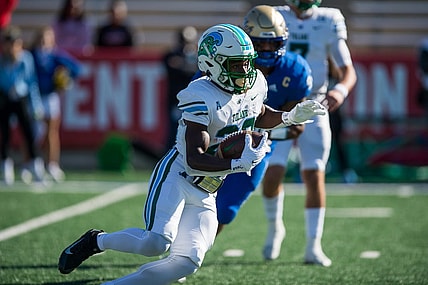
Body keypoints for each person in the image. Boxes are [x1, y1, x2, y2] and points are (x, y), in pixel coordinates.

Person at [57, 23, 326, 284]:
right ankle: (96, 241)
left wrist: (289, 116)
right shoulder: (200, 94)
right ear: (213, 63)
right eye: (236, 64)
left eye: (247, 62)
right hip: (179, 175)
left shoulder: (255, 83)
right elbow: (195, 157)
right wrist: (237, 163)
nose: (245, 70)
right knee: (155, 243)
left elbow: (259, 113)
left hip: (208, 188)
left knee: (188, 261)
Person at [261, 0, 357, 266]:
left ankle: (314, 246)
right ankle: (274, 226)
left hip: (314, 103)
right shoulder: (275, 15)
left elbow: (347, 69)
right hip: (281, 102)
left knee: (314, 174)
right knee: (272, 173)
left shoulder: (328, 19)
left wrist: (340, 90)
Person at [215, 5, 313, 237]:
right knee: (193, 194)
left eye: (274, 43)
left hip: (256, 144)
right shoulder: (224, 61)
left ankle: (188, 255)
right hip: (215, 136)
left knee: (227, 205)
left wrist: (258, 133)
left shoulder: (295, 70)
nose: (267, 49)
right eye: (260, 43)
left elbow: (293, 127)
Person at [30, 26, 81, 182]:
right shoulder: (31, 55)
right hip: (35, 96)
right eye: (42, 38)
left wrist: (64, 81)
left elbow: (76, 68)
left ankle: (52, 164)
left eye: (48, 38)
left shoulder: (55, 55)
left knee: (52, 132)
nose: (45, 41)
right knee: (35, 133)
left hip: (51, 97)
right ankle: (33, 163)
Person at [0, 26, 45, 185]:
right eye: (8, 43)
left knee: (28, 133)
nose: (11, 47)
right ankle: (6, 167)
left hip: (21, 99)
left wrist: (36, 105)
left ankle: (35, 167)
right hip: (4, 99)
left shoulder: (26, 59)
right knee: (5, 135)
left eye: (15, 43)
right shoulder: (2, 60)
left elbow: (31, 83)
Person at [163, 26, 198, 150]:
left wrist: (182, 65)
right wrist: (187, 66)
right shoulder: (171, 55)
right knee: (174, 131)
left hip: (193, 101)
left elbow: (195, 71)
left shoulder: (196, 56)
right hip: (176, 100)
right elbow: (172, 67)